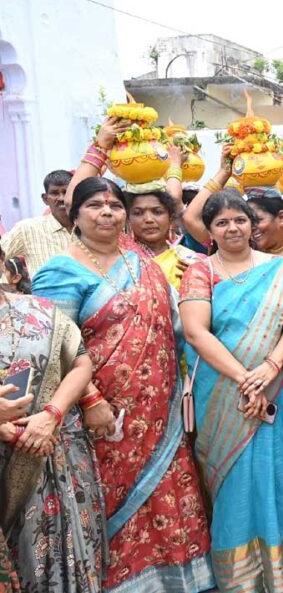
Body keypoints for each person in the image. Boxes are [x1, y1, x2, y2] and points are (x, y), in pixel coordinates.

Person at [32, 176, 214, 592]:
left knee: (168, 493)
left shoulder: (142, 262)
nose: (107, 212)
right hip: (99, 418)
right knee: (112, 501)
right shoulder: (60, 271)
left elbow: (174, 329)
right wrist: (93, 399)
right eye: (95, 205)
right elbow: (54, 348)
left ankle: (177, 581)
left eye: (114, 204)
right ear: (74, 215)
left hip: (160, 413)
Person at [179, 190, 283, 591]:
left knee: (282, 472)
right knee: (236, 482)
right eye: (221, 222)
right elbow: (195, 331)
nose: (232, 228)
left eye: (239, 220)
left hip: (275, 390)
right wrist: (245, 378)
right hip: (224, 396)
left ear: (251, 224)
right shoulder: (201, 271)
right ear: (210, 231)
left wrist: (272, 366)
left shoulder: (282, 269)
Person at [0, 288, 106, 592]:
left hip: (57, 448)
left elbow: (80, 363)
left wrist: (51, 414)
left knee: (67, 551)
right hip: (9, 457)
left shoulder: (41, 311)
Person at [0, 170, 75, 276]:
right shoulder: (28, 229)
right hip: (43, 293)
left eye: (66, 192)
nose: (61, 198)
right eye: (54, 193)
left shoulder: (88, 228)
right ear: (45, 199)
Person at [126, 190, 197, 289]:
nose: (149, 219)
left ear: (170, 218)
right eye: (138, 213)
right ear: (128, 220)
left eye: (157, 212)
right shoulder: (122, 260)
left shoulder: (187, 259)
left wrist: (199, 281)